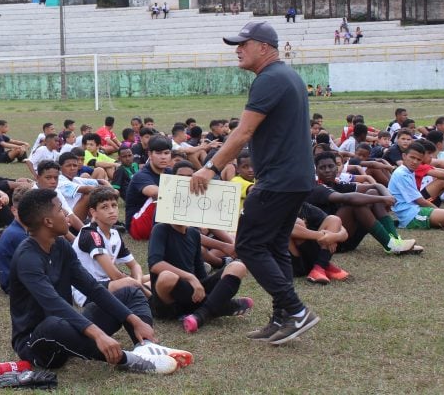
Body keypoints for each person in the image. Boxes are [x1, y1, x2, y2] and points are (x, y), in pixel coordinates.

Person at [191, 21, 318, 346]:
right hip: (296, 177)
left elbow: (243, 132)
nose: (237, 49)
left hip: (279, 180)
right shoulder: (286, 76)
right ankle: (282, 316)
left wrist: (211, 167)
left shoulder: (269, 79)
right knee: (274, 245)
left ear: (263, 47)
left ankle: (296, 310)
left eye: (242, 44)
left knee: (247, 245)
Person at [7, 188, 191, 374]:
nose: (67, 215)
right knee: (54, 324)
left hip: (68, 325)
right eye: (61, 210)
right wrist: (98, 335)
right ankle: (132, 360)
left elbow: (92, 288)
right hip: (38, 343)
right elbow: (53, 304)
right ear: (48, 221)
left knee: (128, 292)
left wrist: (135, 320)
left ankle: (145, 346)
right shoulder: (27, 259)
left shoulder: (61, 245)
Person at [147, 213, 252, 334]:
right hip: (170, 304)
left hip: (191, 296)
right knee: (167, 276)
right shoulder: (160, 229)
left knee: (238, 267)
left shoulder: (193, 234)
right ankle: (225, 307)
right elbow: (155, 264)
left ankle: (201, 314)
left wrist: (201, 284)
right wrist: (190, 277)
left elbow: (201, 276)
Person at [306, 152, 420, 255]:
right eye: (322, 167)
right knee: (355, 204)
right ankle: (390, 245)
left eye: (330, 166)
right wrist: (382, 199)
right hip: (331, 242)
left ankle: (395, 240)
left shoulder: (337, 184)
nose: (327, 170)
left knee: (372, 192)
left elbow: (376, 186)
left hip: (348, 237)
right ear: (316, 171)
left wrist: (387, 196)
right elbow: (349, 198)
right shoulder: (317, 188)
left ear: (337, 168)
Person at [72, 187, 149, 308]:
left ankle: (141, 292)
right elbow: (115, 275)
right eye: (104, 207)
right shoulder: (90, 233)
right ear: (93, 212)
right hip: (88, 290)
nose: (111, 211)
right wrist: (136, 284)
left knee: (153, 278)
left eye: (114, 205)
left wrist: (138, 283)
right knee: (130, 282)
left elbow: (135, 265)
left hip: (111, 283)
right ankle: (155, 303)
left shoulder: (114, 234)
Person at [388, 142, 444, 229]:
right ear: (404, 156)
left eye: (418, 159)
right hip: (412, 216)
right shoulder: (402, 174)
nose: (415, 162)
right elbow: (421, 201)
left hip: (417, 210)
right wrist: (440, 211)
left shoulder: (408, 171)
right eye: (412, 157)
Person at [125, 135, 172, 241]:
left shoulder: (170, 172)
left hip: (157, 222)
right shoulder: (141, 175)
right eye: (158, 153)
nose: (163, 157)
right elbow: (155, 192)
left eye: (166, 153)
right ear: (150, 154)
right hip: (137, 226)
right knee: (161, 197)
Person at [0, 186, 32, 293]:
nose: (31, 213)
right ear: (14, 210)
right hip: (15, 286)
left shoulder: (20, 230)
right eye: (26, 209)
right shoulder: (18, 235)